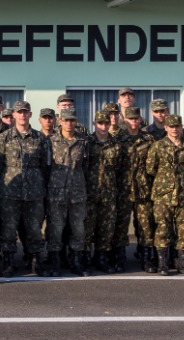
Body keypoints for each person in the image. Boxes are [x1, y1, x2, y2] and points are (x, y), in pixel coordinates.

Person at [0, 101, 50, 276]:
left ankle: (36, 262)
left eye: (25, 112)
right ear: (14, 115)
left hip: (34, 192)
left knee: (34, 228)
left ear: (30, 115)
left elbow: (44, 165)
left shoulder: (40, 138)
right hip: (10, 192)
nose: (22, 115)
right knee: (9, 229)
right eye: (19, 113)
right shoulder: (3, 138)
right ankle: (9, 262)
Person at [145, 115, 184, 276]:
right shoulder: (157, 146)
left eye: (177, 126)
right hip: (164, 194)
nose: (174, 129)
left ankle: (182, 262)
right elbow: (151, 168)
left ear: (181, 127)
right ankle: (163, 263)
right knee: (163, 229)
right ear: (166, 128)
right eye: (171, 126)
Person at [47, 108, 94, 277]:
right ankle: (55, 262)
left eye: (72, 120)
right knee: (56, 228)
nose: (69, 124)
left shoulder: (83, 141)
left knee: (78, 229)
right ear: (59, 121)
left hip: (77, 192)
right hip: (56, 192)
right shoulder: (51, 141)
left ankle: (76, 261)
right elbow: (46, 168)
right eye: (66, 120)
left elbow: (87, 166)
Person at [87, 110, 126, 273]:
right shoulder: (87, 143)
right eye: (100, 123)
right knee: (88, 227)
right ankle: (85, 257)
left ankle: (102, 258)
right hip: (90, 192)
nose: (103, 126)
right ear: (94, 124)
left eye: (106, 123)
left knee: (106, 228)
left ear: (110, 124)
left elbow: (120, 169)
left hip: (109, 193)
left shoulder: (116, 145)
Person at [123, 106, 158, 271]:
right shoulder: (118, 139)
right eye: (130, 119)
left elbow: (154, 165)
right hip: (123, 189)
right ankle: (119, 257)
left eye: (136, 119)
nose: (134, 122)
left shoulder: (149, 139)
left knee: (145, 226)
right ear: (125, 120)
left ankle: (146, 259)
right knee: (120, 225)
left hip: (143, 189)